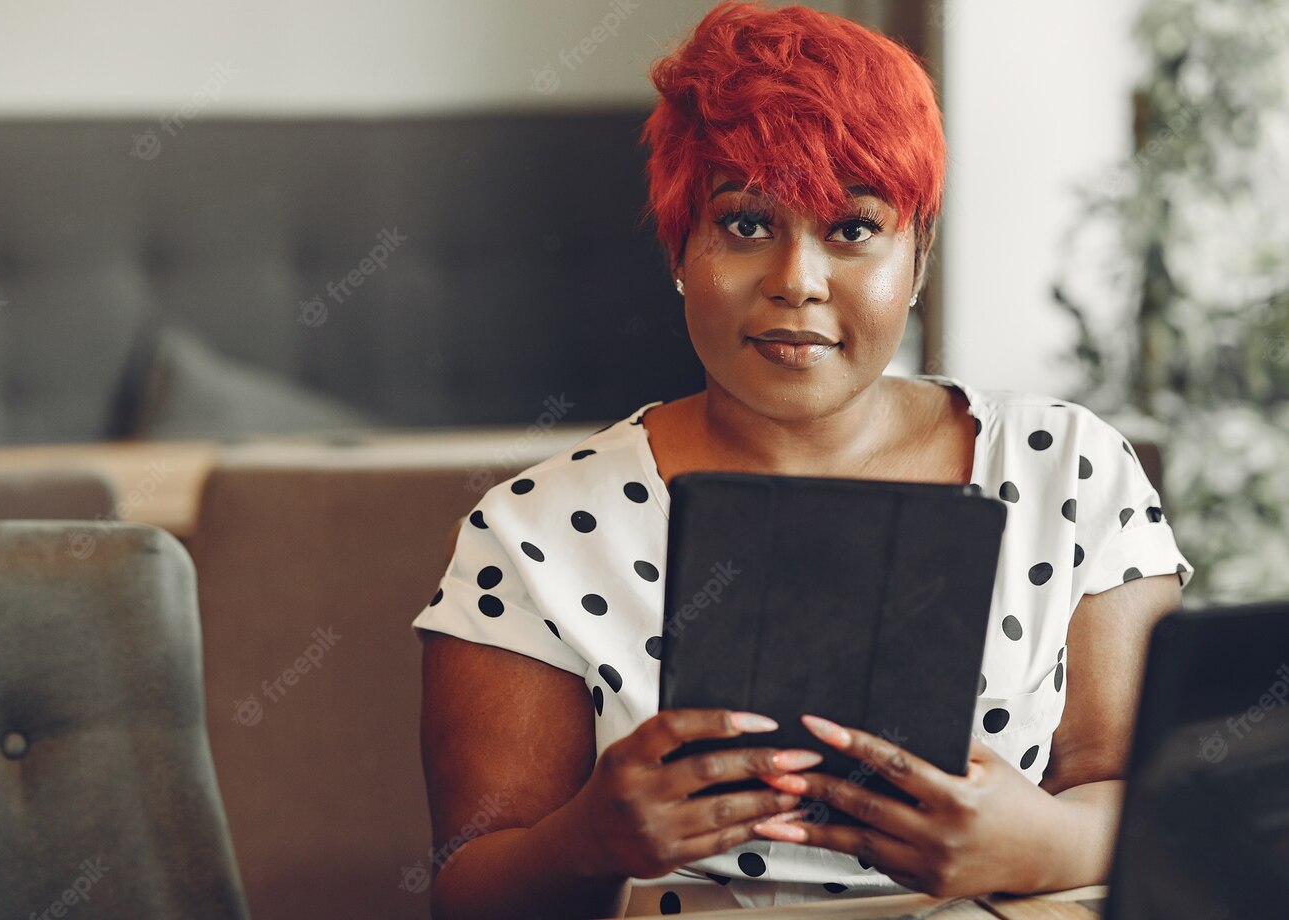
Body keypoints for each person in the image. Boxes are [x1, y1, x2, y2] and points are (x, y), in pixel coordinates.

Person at [412, 2, 1195, 916]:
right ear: (678, 244)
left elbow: (1152, 804)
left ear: (919, 253)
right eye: (745, 224)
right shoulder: (532, 533)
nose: (797, 279)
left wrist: (1039, 842)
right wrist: (588, 839)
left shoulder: (1070, 471)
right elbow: (466, 896)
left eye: (854, 228)